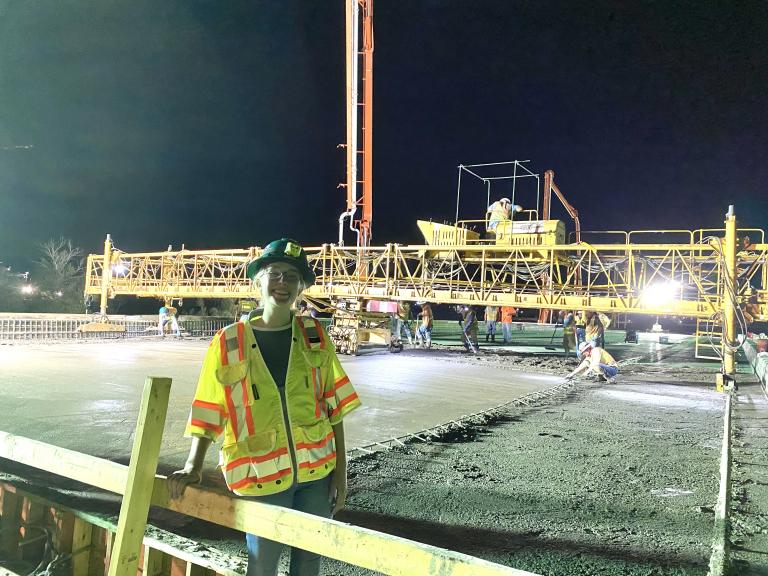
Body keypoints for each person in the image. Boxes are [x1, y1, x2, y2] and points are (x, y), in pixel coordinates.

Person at [168, 238, 361, 576]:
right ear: (258, 280)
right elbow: (209, 409)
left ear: (301, 286)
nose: (282, 283)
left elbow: (335, 408)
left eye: (291, 276)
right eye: (274, 274)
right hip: (260, 478)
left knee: (308, 563)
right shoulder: (229, 342)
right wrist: (192, 465)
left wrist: (340, 475)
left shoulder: (315, 334)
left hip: (317, 475)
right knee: (262, 567)